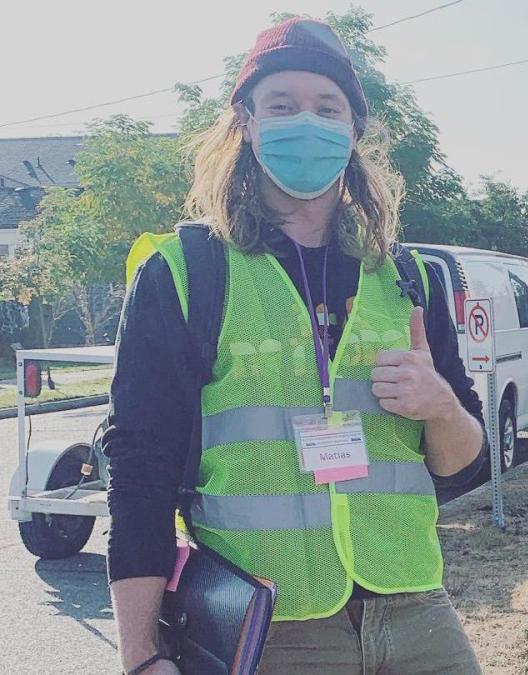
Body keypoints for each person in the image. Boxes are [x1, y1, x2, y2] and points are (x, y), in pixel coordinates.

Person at [105, 18, 486, 675]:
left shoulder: (408, 277)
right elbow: (137, 470)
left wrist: (443, 409)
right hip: (270, 629)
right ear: (247, 124)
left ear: (353, 131)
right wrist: (142, 655)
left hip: (416, 608)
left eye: (326, 106)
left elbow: (465, 464)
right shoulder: (187, 272)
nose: (305, 121)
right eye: (282, 105)